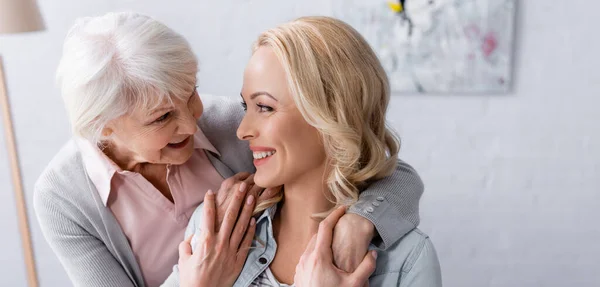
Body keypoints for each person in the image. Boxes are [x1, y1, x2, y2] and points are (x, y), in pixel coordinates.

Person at [33, 12, 426, 287]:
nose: (191, 124)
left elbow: (377, 167)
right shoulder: (63, 199)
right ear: (103, 126)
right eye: (162, 118)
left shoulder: (229, 126)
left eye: (192, 95)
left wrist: (359, 223)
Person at [184, 16, 442, 286]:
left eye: (264, 107)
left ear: (329, 116)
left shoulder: (407, 260)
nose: (242, 131)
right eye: (245, 107)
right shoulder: (213, 230)